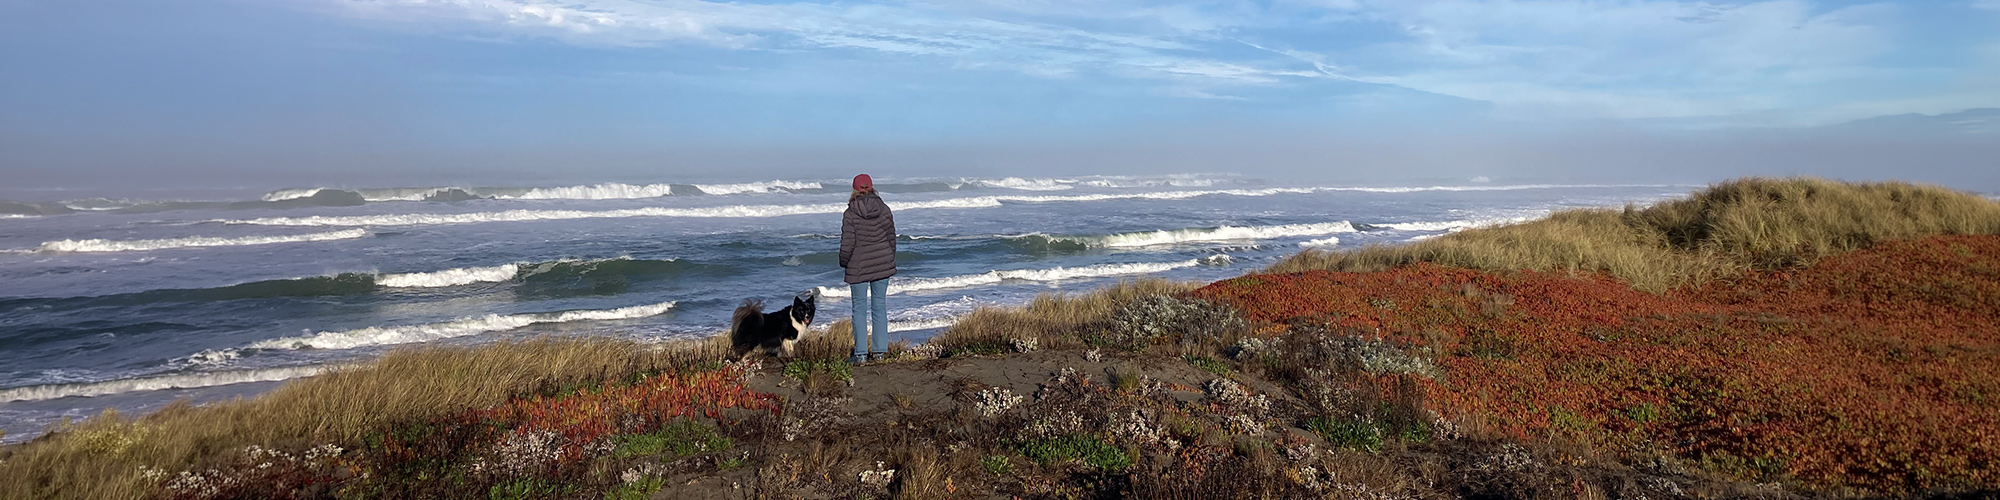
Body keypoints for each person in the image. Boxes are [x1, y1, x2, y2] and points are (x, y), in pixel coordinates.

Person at [840, 174, 896, 363]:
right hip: (883, 261)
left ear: (854, 189)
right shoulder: (884, 208)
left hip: (858, 265)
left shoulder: (850, 213)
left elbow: (847, 243)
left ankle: (861, 354)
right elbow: (891, 238)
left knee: (859, 308)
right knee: (879, 305)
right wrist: (890, 257)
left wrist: (843, 261)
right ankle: (880, 352)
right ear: (872, 188)